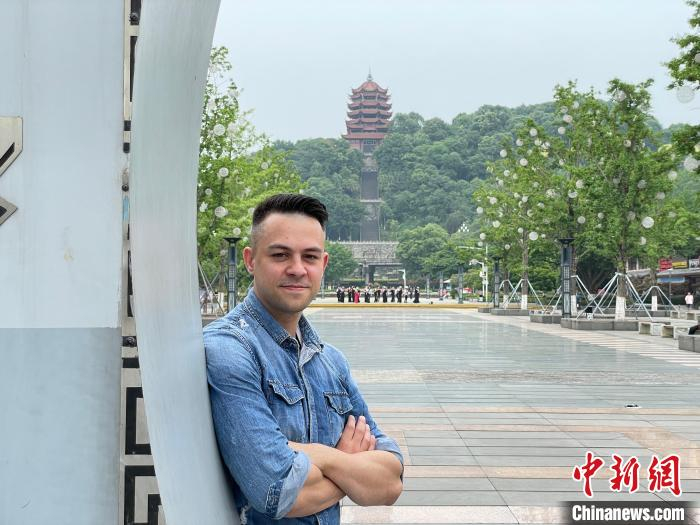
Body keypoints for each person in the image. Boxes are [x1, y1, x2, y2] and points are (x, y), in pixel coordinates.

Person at [204, 194, 403, 525]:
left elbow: (390, 482)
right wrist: (348, 462)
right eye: (280, 255)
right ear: (250, 260)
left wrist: (323, 458)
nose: (297, 269)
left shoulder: (331, 362)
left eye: (309, 257)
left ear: (323, 264)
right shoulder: (230, 350)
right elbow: (278, 491)